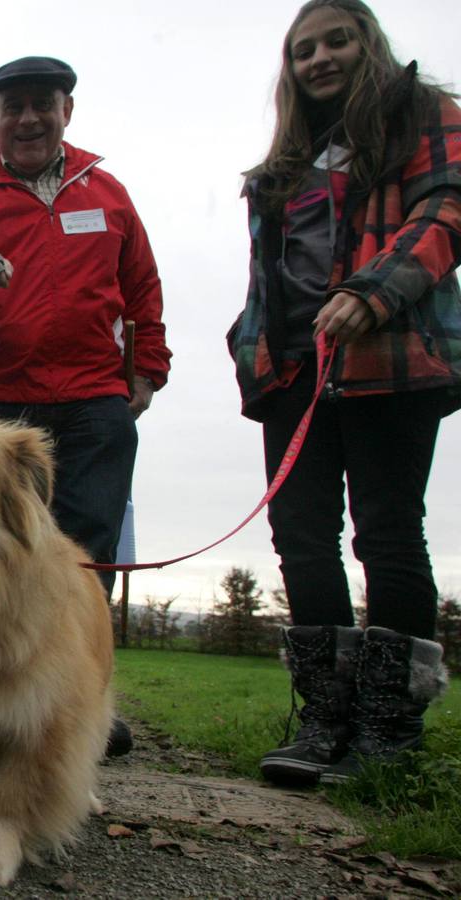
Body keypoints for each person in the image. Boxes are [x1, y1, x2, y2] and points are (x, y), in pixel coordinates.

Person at [0, 56, 171, 757]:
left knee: (89, 558)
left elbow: (142, 290)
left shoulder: (107, 193)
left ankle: (85, 701)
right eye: (13, 107)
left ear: (67, 112)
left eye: (42, 105)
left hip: (93, 403)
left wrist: (148, 372)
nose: (28, 119)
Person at [229, 0, 458, 786]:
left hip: (389, 358)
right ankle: (323, 720)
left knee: (388, 533)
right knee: (299, 535)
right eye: (303, 50)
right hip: (293, 372)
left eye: (337, 40)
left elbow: (448, 208)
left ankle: (388, 731)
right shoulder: (287, 166)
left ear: (369, 44)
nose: (319, 58)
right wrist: (249, 348)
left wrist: (376, 291)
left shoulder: (424, 115)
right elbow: (271, 273)